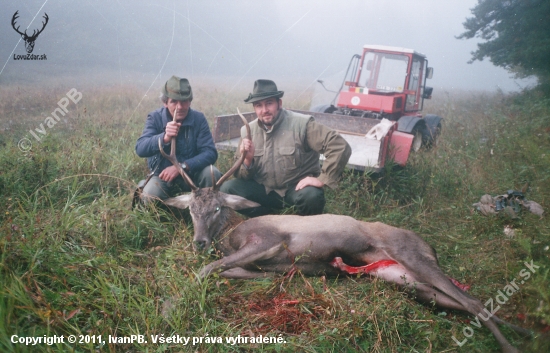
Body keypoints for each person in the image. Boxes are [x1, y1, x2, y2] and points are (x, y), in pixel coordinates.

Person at [220, 79, 351, 216]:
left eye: (269, 103)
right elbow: (241, 176)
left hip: (295, 190)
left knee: (312, 196)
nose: (264, 110)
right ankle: (265, 220)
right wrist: (247, 160)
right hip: (265, 191)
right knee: (227, 189)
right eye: (259, 105)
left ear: (279, 104)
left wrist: (321, 179)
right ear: (254, 108)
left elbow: (340, 146)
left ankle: (304, 229)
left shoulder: (302, 125)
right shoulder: (247, 131)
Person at [135, 75, 221, 204]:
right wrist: (164, 138)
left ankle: (205, 212)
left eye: (184, 101)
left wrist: (181, 167)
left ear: (190, 101)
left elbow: (210, 153)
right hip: (162, 177)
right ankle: (167, 219)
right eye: (174, 101)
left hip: (192, 175)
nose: (179, 107)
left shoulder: (198, 119)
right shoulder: (155, 118)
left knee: (211, 173)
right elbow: (140, 149)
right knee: (151, 194)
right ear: (165, 103)